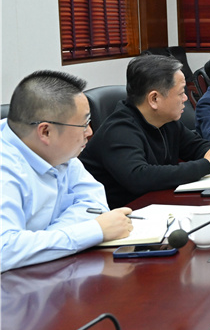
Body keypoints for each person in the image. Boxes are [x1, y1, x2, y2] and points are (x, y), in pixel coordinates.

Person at [1, 70, 133, 271]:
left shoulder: (59, 152)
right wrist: (92, 231)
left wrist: (45, 240)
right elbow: (5, 250)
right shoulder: (5, 168)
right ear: (46, 131)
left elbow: (95, 204)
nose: (89, 132)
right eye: (84, 124)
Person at [81, 55, 210, 208]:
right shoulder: (119, 130)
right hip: (124, 214)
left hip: (158, 204)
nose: (186, 98)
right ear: (154, 99)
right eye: (181, 93)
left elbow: (195, 146)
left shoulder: (166, 121)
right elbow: (139, 177)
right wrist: (206, 165)